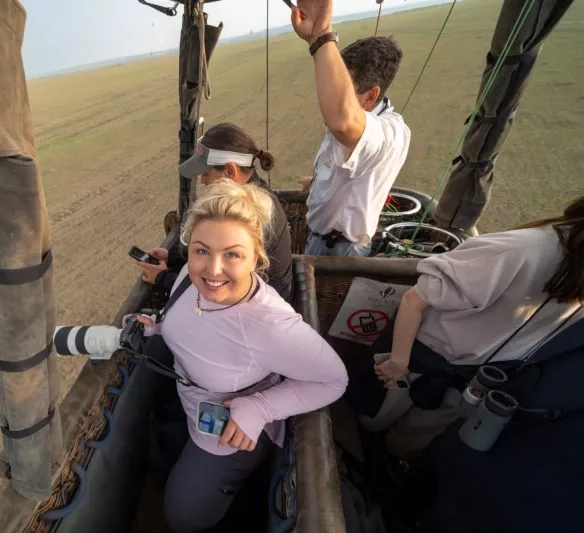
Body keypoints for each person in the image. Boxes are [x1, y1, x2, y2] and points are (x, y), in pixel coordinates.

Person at [123, 180, 347, 532]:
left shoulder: (269, 324)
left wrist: (259, 409)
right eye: (201, 250)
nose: (212, 270)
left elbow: (334, 379)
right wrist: (153, 325)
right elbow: (186, 318)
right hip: (190, 401)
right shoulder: (186, 276)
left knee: (183, 518)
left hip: (229, 430)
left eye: (232, 254)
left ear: (257, 256)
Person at [353, 195, 584, 458]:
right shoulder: (518, 251)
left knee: (407, 443)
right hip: (418, 364)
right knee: (371, 421)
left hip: (472, 383)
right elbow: (414, 300)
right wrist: (398, 361)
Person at [290, 0, 411, 257]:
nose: (332, 94)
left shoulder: (388, 133)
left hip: (340, 251)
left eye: (344, 87)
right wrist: (322, 185)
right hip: (321, 239)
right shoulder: (362, 125)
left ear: (369, 97)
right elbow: (352, 172)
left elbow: (343, 122)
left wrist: (320, 38)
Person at [132, 122, 294, 302]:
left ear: (230, 171)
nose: (202, 180)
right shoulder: (252, 197)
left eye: (206, 173)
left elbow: (219, 283)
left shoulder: (245, 217)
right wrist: (174, 256)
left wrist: (163, 278)